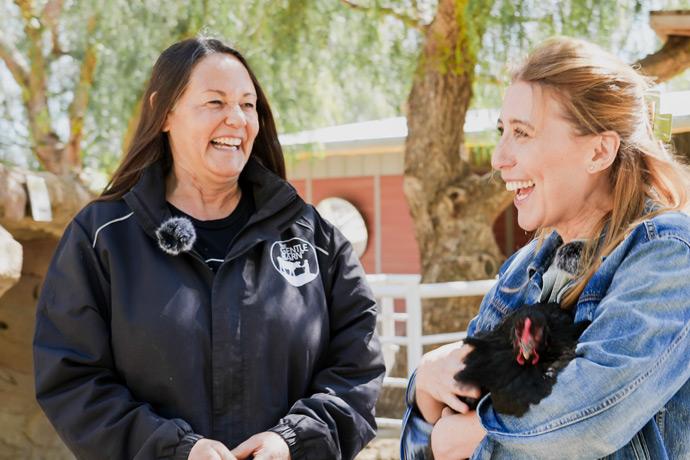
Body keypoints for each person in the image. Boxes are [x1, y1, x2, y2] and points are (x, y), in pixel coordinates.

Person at [33, 37, 385, 460]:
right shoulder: (102, 238)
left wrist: (291, 440)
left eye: (247, 104)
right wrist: (176, 450)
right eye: (215, 102)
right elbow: (71, 379)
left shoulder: (316, 239)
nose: (236, 119)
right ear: (164, 112)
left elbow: (357, 369)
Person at [401, 37, 690, 459]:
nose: (499, 158)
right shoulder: (525, 268)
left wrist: (473, 436)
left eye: (522, 133)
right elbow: (449, 406)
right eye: (502, 132)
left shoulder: (667, 255)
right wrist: (424, 380)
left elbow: (590, 419)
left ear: (599, 150)